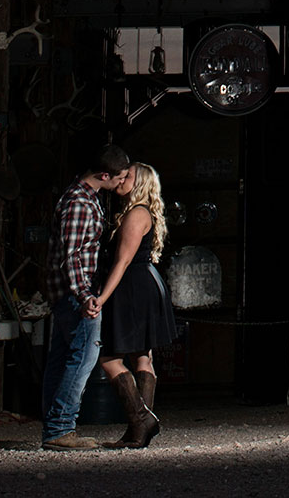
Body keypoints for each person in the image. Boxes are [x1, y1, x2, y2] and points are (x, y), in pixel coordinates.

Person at [39, 144, 131, 451]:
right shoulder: (79, 203)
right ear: (104, 174)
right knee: (82, 359)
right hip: (75, 295)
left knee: (62, 359)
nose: (121, 182)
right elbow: (73, 256)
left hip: (69, 293)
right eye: (118, 177)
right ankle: (60, 428)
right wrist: (85, 296)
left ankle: (54, 428)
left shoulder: (88, 198)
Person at [89, 162, 178, 448]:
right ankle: (139, 430)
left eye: (128, 176)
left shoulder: (136, 214)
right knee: (142, 356)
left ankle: (141, 420)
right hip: (143, 285)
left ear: (140, 184)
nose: (122, 179)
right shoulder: (138, 212)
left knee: (110, 359)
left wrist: (101, 298)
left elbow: (123, 261)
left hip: (134, 288)